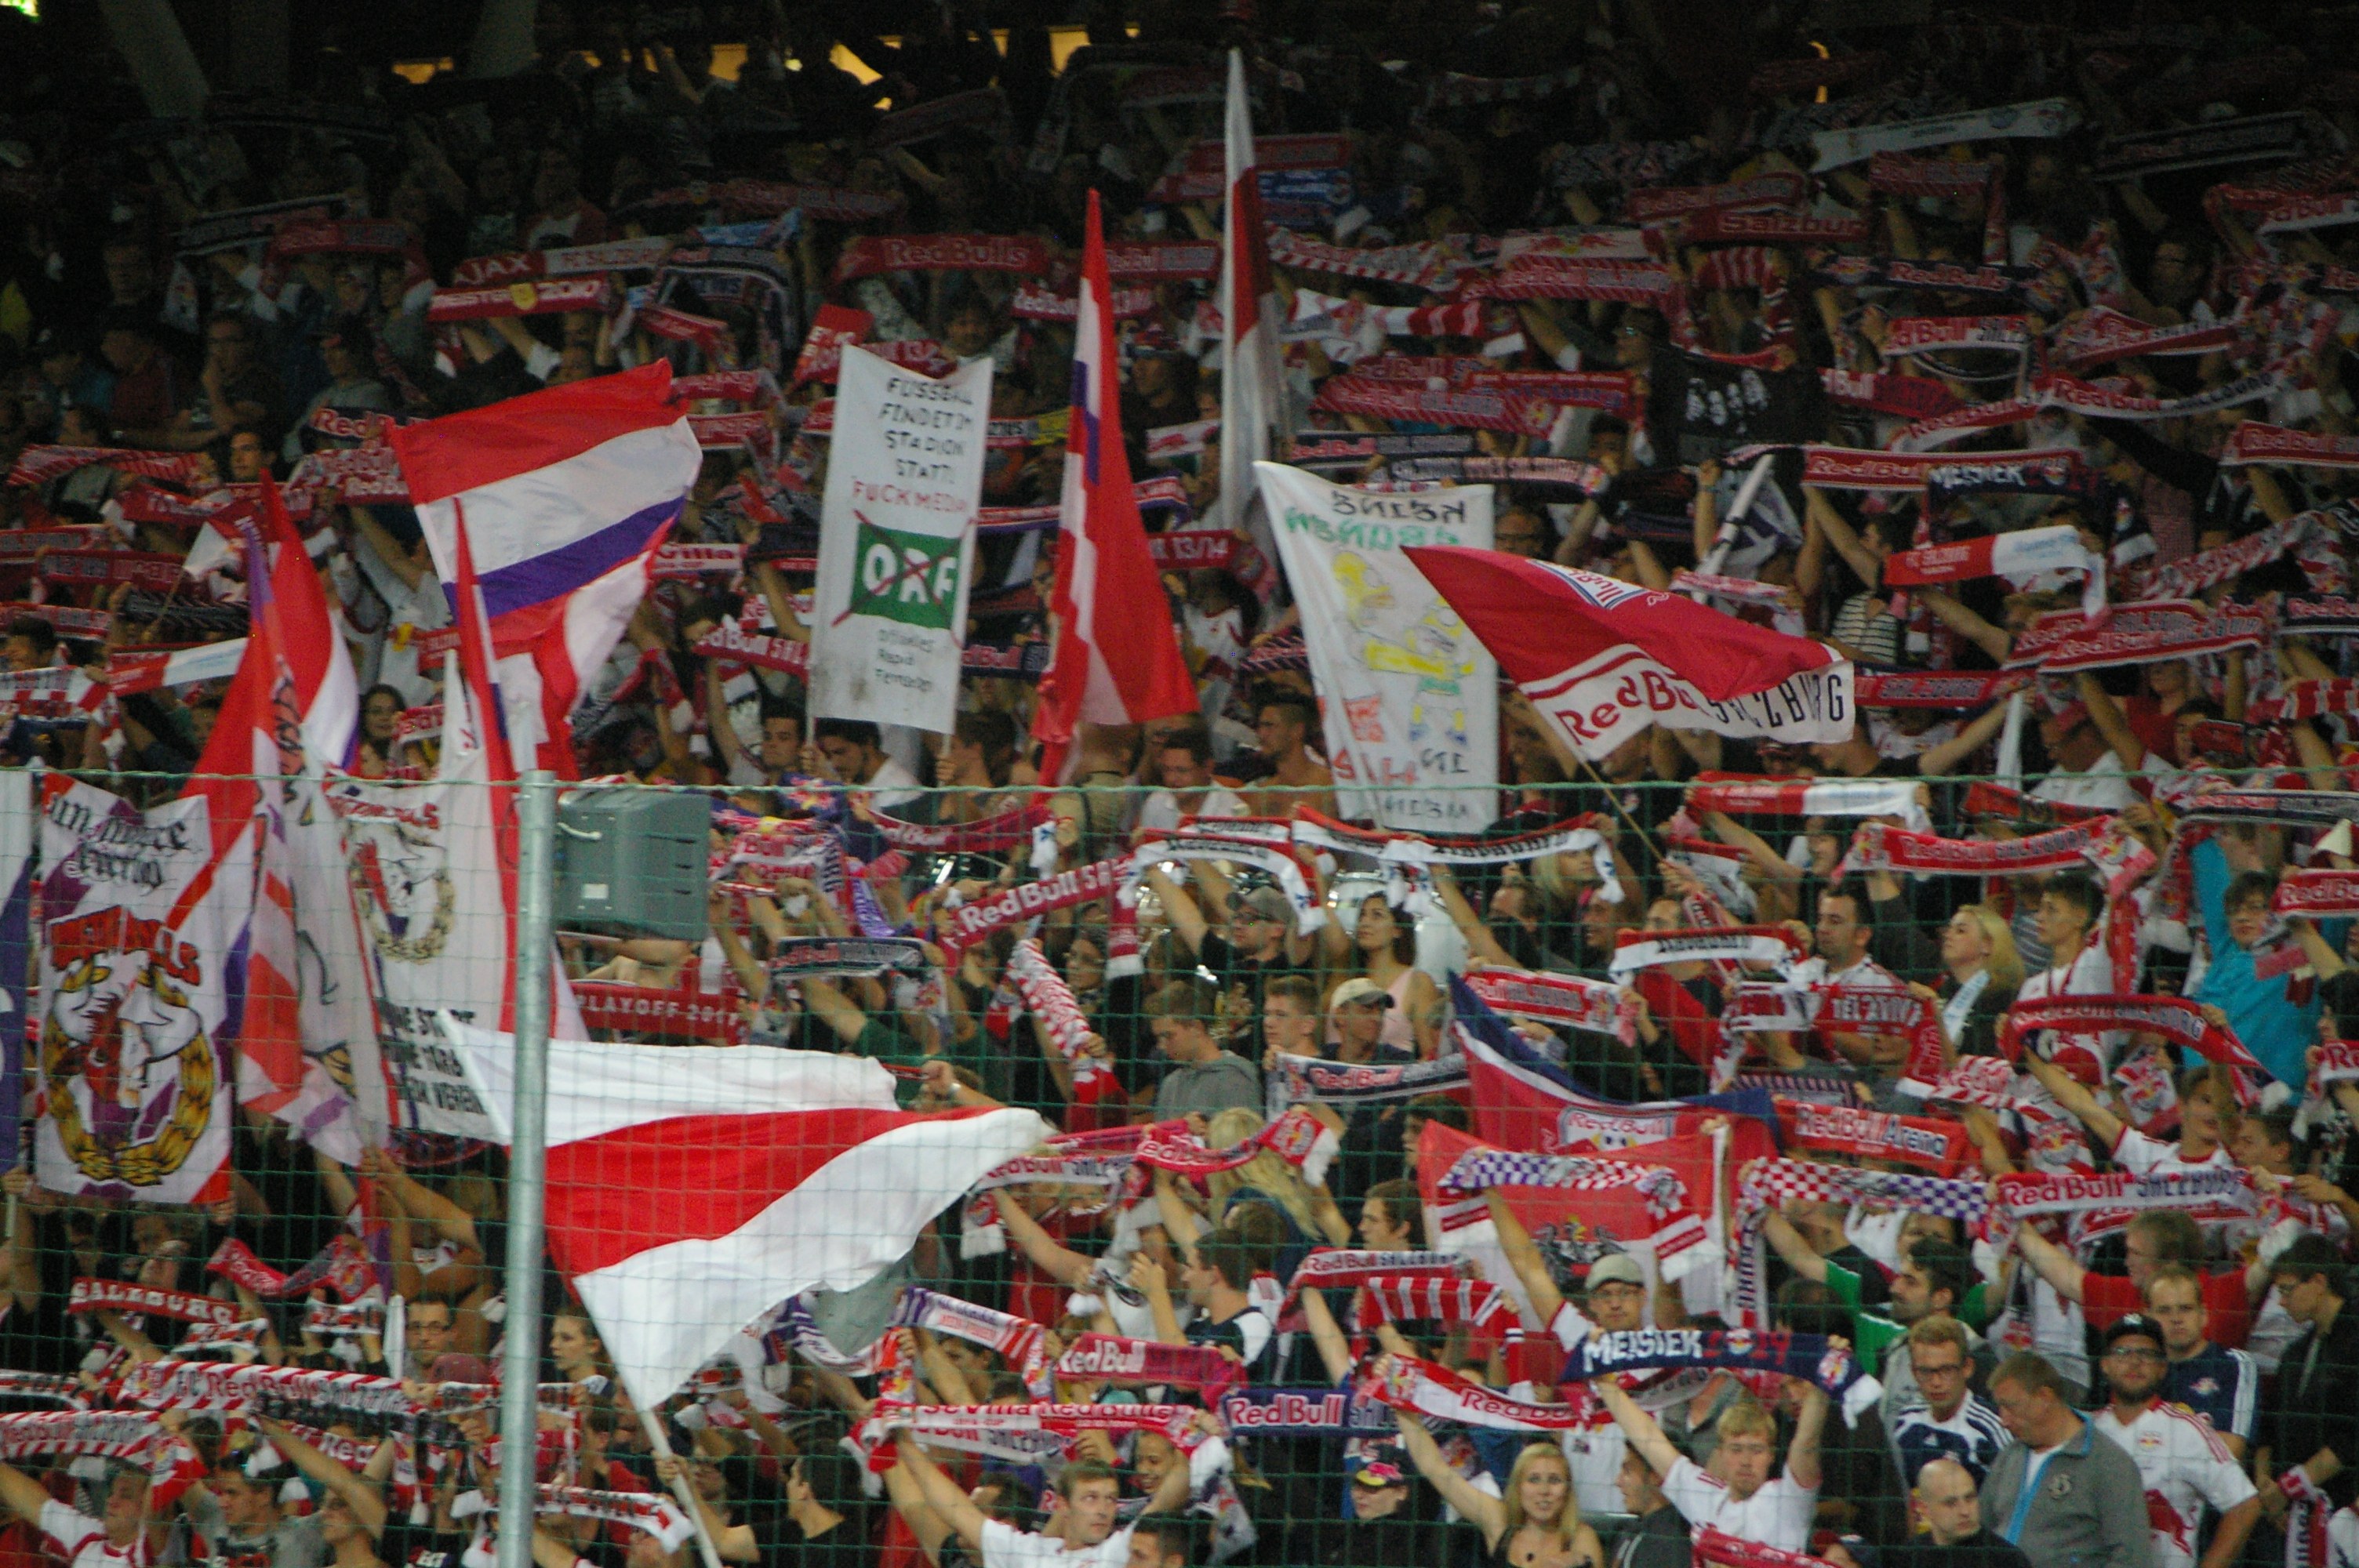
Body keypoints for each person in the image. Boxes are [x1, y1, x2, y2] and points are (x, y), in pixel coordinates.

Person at [2087, 1315, 2259, 1568]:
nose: (2134, 1362)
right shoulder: (2085, 1430)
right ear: (2105, 1364)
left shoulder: (2187, 1430)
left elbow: (2245, 1504)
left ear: (2162, 1367)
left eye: (2146, 1353)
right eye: (2122, 1352)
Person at [887, 1436, 1208, 1568]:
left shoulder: (1118, 1554)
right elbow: (958, 1512)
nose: (1104, 1509)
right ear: (1063, 1506)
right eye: (1091, 1498)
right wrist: (904, 1444)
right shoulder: (1029, 1551)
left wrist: (1190, 1437)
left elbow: (1171, 1493)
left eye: (1111, 1499)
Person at [1590, 1381, 1825, 1552]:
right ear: (1720, 1453)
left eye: (1756, 1450)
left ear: (1771, 1456)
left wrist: (1825, 1378)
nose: (1745, 1461)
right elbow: (1647, 1437)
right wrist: (1606, 1384)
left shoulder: (1790, 1499)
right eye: (1736, 1449)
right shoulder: (1706, 1497)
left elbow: (1807, 1441)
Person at [1978, 1352, 2154, 1568]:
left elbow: (2131, 1558)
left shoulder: (2109, 1464)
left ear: (2044, 1397)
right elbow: (1981, 1531)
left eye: (2011, 1406)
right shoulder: (2009, 1456)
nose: (2003, 1421)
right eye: (1999, 1408)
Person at [1390, 1421, 1604, 1568]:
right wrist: (1400, 1402)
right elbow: (1434, 1467)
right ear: (1518, 1487)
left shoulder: (1580, 1536)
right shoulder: (1499, 1522)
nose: (1544, 1491)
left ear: (1567, 1490)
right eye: (1534, 1479)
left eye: (1555, 1480)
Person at [2258, 1235, 2359, 1529]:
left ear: (2318, 1282)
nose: (2283, 1301)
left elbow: (2351, 1440)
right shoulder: (2295, 1353)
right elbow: (2269, 1425)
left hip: (2342, 1511)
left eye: (2288, 1290)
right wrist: (2266, 1485)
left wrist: (2286, 1489)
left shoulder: (2354, 1345)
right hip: (2292, 1511)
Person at [1826, 1460, 2033, 1568]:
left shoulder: (2006, 1560)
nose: (1964, 1511)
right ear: (1924, 1509)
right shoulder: (1908, 1557)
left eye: (1969, 1498)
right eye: (1950, 1503)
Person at [2146, 1265, 2257, 1461]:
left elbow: (2229, 1454)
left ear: (2203, 1315)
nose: (2176, 1319)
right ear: (2148, 1318)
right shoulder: (2138, 1369)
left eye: (2186, 1309)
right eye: (2164, 1311)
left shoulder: (2233, 1365)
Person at [1890, 1316, 2008, 1489]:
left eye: (1946, 1370)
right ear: (1914, 1373)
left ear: (1967, 1368)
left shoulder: (1991, 1427)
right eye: (1925, 1371)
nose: (1936, 1382)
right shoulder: (1906, 1420)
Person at [0, 1461, 162, 1568]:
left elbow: (159, 1510)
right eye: (112, 1492)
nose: (112, 1500)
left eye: (126, 1495)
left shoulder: (147, 1549)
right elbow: (38, 1505)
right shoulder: (92, 1535)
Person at [1144, 978, 1262, 1119]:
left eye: (1168, 1036)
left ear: (1196, 1028)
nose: (1161, 1046)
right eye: (1159, 1038)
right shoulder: (1170, 1085)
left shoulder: (1235, 1080)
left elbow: (1244, 1139)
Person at [1604, 1446, 1689, 1568]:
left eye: (1628, 1471)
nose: (1618, 1481)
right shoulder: (1629, 1530)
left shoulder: (1673, 1541)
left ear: (1657, 1475)